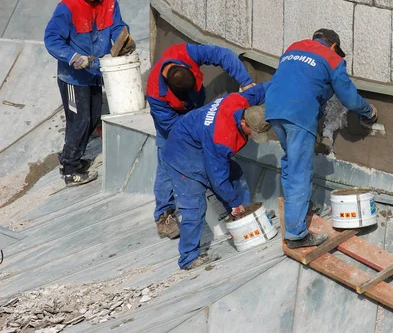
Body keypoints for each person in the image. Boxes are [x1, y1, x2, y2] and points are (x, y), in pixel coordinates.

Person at [265, 29, 377, 249]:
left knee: (290, 164)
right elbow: (349, 98)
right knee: (300, 173)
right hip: (298, 114)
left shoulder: (293, 47)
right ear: (334, 45)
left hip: (274, 108)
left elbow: (295, 79)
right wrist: (367, 111)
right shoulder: (332, 58)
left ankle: (299, 211)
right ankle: (296, 235)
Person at [146, 43, 255, 239]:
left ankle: (243, 209)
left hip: (198, 112)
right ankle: (164, 215)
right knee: (168, 161)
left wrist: (246, 83)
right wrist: (201, 143)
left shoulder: (185, 52)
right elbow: (175, 131)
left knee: (219, 165)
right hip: (173, 124)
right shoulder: (156, 94)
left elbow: (223, 54)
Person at [160, 83, 270, 270]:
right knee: (194, 207)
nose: (253, 136)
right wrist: (234, 203)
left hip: (199, 140)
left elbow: (264, 89)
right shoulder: (222, 138)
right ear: (244, 123)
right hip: (181, 155)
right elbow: (217, 178)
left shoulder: (240, 100)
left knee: (235, 176)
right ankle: (188, 257)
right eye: (253, 132)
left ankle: (244, 217)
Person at [44, 0, 135, 187]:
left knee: (93, 117)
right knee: (79, 121)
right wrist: (73, 56)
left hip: (94, 72)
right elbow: (51, 39)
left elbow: (116, 26)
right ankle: (71, 171)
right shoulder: (67, 8)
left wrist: (121, 38)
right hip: (73, 77)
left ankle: (69, 158)